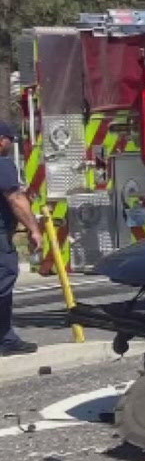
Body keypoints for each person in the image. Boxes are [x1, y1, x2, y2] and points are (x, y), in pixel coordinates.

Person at [0, 122, 47, 356]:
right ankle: (5, 340)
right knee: (3, 281)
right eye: (10, 140)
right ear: (1, 140)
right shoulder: (2, 164)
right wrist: (34, 229)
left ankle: (6, 339)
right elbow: (15, 199)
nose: (10, 145)